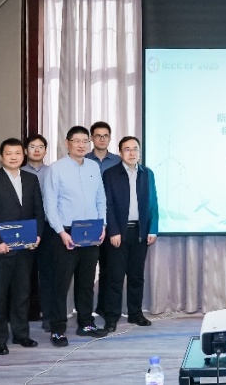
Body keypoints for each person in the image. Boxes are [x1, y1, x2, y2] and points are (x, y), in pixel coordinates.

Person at [42, 126, 108, 346]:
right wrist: (61, 232)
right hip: (65, 233)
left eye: (84, 141)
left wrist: (103, 225)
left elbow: (101, 199)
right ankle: (57, 329)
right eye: (76, 141)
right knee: (60, 284)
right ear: (67, 143)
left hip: (91, 231)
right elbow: (50, 205)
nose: (81, 145)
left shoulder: (93, 167)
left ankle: (86, 323)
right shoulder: (56, 169)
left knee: (86, 282)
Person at [0, 138, 45, 355]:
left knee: (22, 293)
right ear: (1, 157)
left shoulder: (31, 179)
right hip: (1, 248)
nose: (14, 157)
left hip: (26, 248)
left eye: (17, 153)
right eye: (9, 153)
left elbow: (39, 212)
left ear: (23, 156)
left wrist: (37, 236)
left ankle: (21, 334)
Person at [99, 136, 159, 330]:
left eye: (135, 149)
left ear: (139, 152)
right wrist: (113, 230)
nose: (132, 153)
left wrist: (153, 229)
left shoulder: (147, 174)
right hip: (118, 233)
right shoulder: (110, 174)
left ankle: (135, 314)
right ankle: (112, 317)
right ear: (120, 153)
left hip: (140, 232)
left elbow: (153, 204)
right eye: (127, 149)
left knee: (136, 276)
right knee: (114, 277)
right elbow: (107, 205)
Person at [21, 134, 52, 331]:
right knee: (23, 274)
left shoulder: (53, 171)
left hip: (48, 228)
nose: (37, 150)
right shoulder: (18, 172)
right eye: (32, 146)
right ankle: (23, 317)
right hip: (25, 227)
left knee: (48, 274)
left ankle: (48, 315)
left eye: (41, 146)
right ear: (26, 150)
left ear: (45, 151)